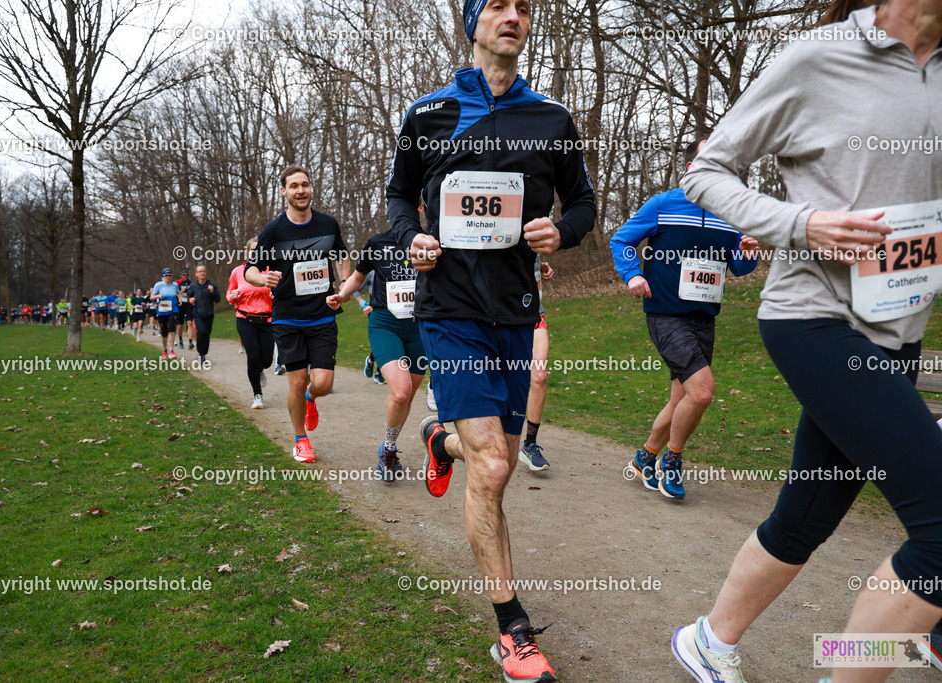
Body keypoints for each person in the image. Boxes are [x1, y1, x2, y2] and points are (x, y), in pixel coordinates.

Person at [667, 3, 942, 682]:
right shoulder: (820, 56)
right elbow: (706, 172)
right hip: (815, 320)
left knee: (805, 515)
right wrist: (802, 223)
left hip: (900, 329)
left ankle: (708, 639)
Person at [385, 0, 596, 678]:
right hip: (448, 310)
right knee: (497, 467)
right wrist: (411, 237)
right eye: (498, 5)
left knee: (490, 461)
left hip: (515, 312)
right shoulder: (428, 114)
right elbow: (398, 196)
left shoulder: (551, 119)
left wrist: (562, 231)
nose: (513, 15)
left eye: (523, 7)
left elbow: (584, 203)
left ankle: (437, 440)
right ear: (473, 23)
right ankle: (513, 629)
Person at [610, 139, 759, 500]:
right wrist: (632, 275)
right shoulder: (664, 204)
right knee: (702, 391)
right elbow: (621, 240)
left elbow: (739, 266)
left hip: (704, 317)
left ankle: (645, 457)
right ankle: (672, 461)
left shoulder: (731, 212)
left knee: (681, 399)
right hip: (665, 314)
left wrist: (748, 253)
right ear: (691, 167)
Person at [245, 165, 350, 463]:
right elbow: (250, 269)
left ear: (310, 188)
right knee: (298, 380)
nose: (300, 190)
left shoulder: (327, 224)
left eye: (304, 184)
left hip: (322, 313)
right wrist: (262, 278)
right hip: (287, 316)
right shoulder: (274, 230)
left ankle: (310, 399)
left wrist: (343, 284)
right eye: (294, 186)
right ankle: (301, 439)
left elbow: (342, 255)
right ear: (284, 191)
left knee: (323, 384)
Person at [327, 229, 427, 483]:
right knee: (401, 392)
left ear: (420, 209)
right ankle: (389, 450)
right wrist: (342, 295)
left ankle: (389, 444)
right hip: (385, 323)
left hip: (420, 327)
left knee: (407, 398)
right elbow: (358, 276)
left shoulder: (431, 240)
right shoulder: (378, 242)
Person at [228, 238, 274, 409]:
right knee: (253, 356)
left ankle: (260, 370)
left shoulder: (270, 270)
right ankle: (257, 395)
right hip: (245, 319)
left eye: (259, 249)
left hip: (267, 319)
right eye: (253, 249)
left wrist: (275, 295)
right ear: (247, 252)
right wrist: (233, 296)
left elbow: (280, 292)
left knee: (267, 360)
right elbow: (229, 294)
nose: (256, 252)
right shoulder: (238, 272)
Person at [519, 257, 554, 471]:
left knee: (540, 376)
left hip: (533, 314)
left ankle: (530, 444)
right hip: (501, 316)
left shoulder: (535, 241)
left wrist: (541, 266)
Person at [188, 264, 220, 365]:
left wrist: (212, 292)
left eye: (204, 271)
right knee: (201, 331)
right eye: (200, 271)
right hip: (198, 313)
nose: (202, 273)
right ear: (196, 274)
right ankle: (200, 354)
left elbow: (217, 299)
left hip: (209, 314)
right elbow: (189, 297)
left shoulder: (211, 285)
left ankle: (203, 355)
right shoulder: (193, 286)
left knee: (206, 334)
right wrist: (190, 300)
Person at [151, 268, 180, 359]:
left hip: (173, 309)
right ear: (163, 277)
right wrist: (158, 296)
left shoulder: (175, 285)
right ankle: (165, 350)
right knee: (164, 332)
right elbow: (151, 297)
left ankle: (172, 351)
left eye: (169, 275)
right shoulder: (158, 285)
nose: (168, 277)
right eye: (166, 275)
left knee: (172, 329)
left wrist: (180, 299)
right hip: (162, 310)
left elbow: (178, 293)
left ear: (171, 276)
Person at [175, 268, 195, 350]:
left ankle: (190, 342)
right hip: (180, 306)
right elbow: (175, 294)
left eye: (187, 275)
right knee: (180, 324)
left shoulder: (192, 283)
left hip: (189, 306)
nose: (185, 276)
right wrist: (181, 292)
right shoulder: (178, 284)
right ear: (181, 276)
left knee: (190, 323)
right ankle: (180, 340)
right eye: (184, 275)